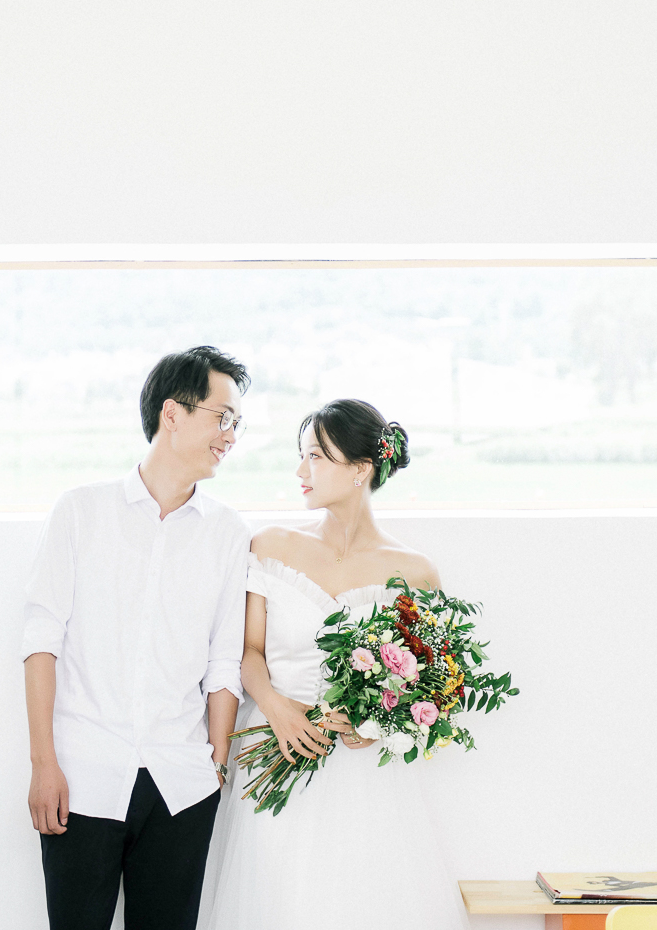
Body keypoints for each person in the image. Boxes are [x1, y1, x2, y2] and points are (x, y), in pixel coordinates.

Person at [199, 398, 468, 929]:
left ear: (361, 468)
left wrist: (380, 722)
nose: (301, 471)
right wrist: (276, 708)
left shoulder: (415, 572)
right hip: (277, 749)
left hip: (364, 774)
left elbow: (434, 685)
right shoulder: (271, 545)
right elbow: (247, 653)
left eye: (316, 457)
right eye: (303, 456)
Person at [21, 346, 254, 930]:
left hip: (182, 784)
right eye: (222, 417)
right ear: (172, 414)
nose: (230, 435)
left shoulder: (228, 533)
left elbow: (224, 661)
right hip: (82, 777)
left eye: (236, 423)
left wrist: (215, 766)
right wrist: (44, 763)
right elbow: (41, 640)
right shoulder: (81, 511)